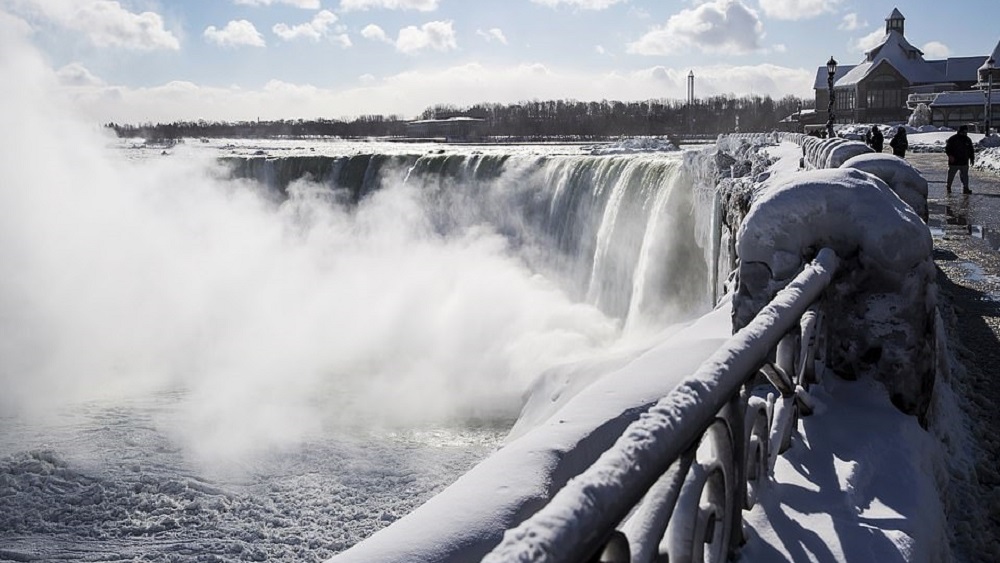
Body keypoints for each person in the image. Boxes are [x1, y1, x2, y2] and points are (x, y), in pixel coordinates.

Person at [945, 125, 976, 194]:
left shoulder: (967, 140)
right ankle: (948, 187)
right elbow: (947, 149)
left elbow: (971, 150)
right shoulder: (953, 139)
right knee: (951, 175)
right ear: (960, 131)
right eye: (963, 132)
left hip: (964, 162)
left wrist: (972, 159)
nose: (965, 133)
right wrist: (950, 156)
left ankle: (966, 188)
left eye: (966, 132)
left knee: (964, 176)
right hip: (954, 162)